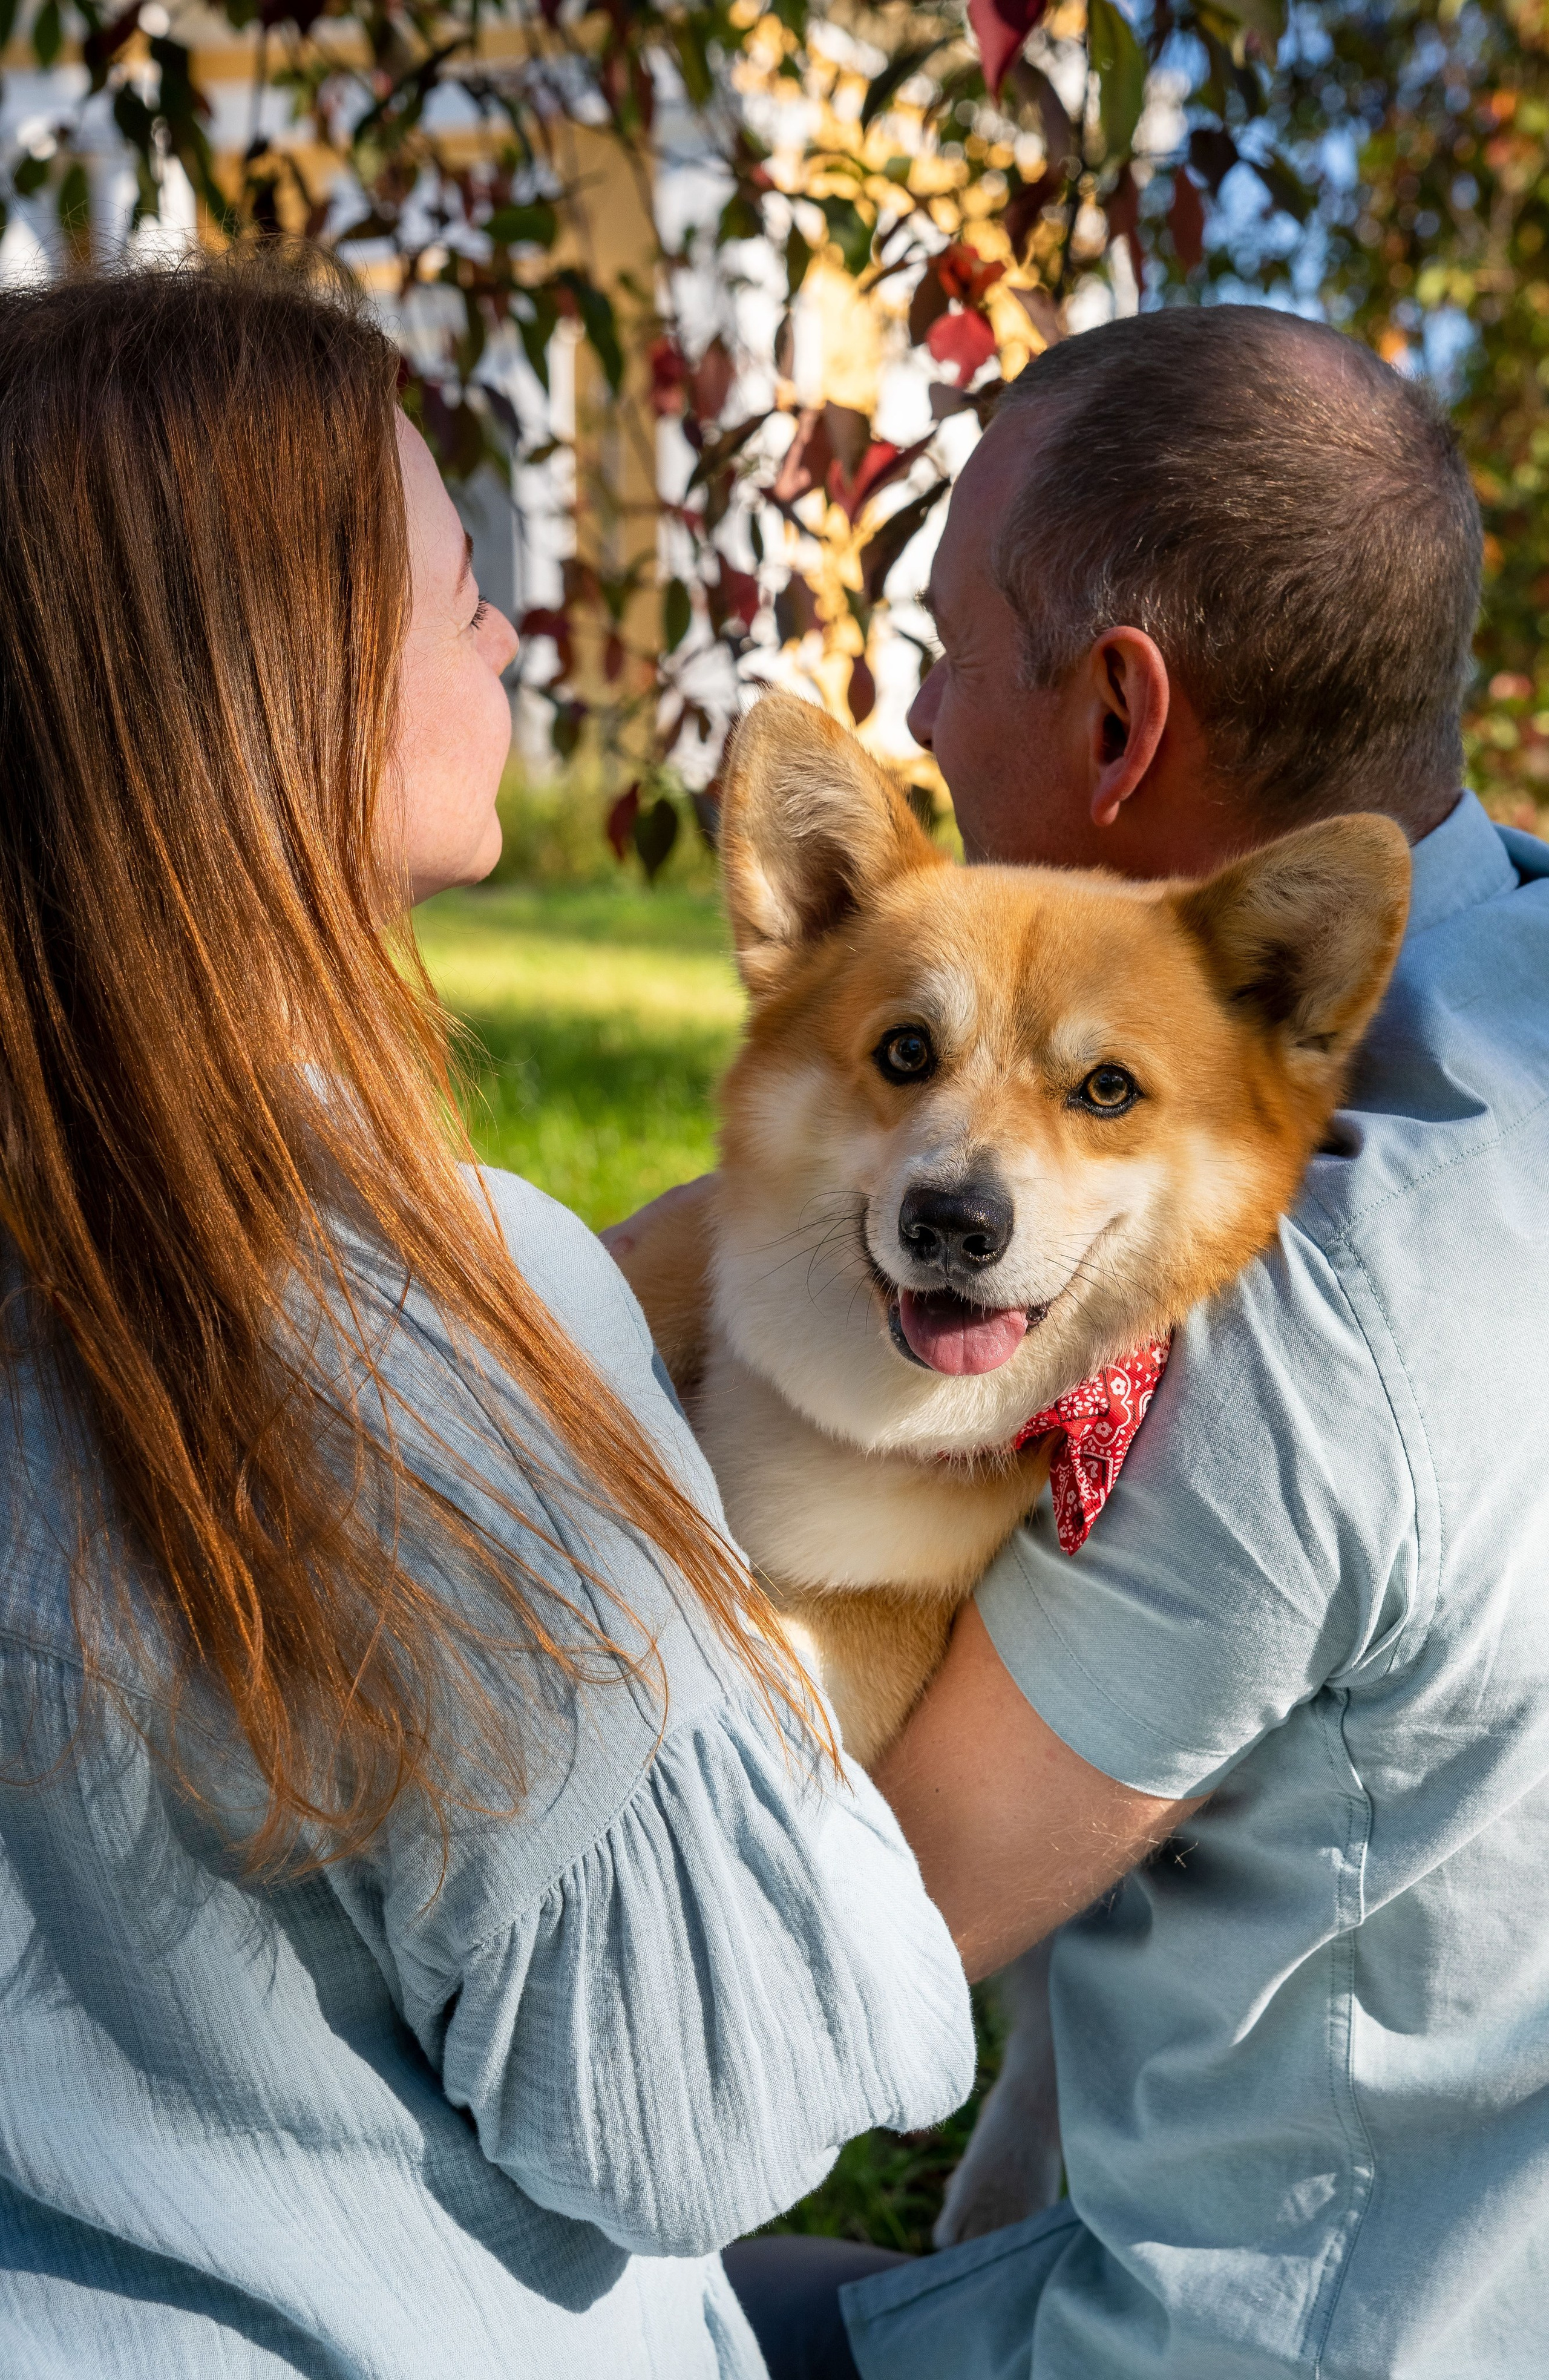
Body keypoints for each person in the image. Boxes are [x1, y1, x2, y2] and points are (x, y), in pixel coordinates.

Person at [0, 258, 977, 2380]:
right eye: (460, 597)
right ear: (279, 679)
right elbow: (703, 2119)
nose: (513, 634)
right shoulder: (406, 1305)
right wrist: (763, 1700)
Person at [649, 306, 1549, 2378]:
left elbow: (784, 2006)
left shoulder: (1271, 1316)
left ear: (1119, 722)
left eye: (949, 651)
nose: (924, 712)